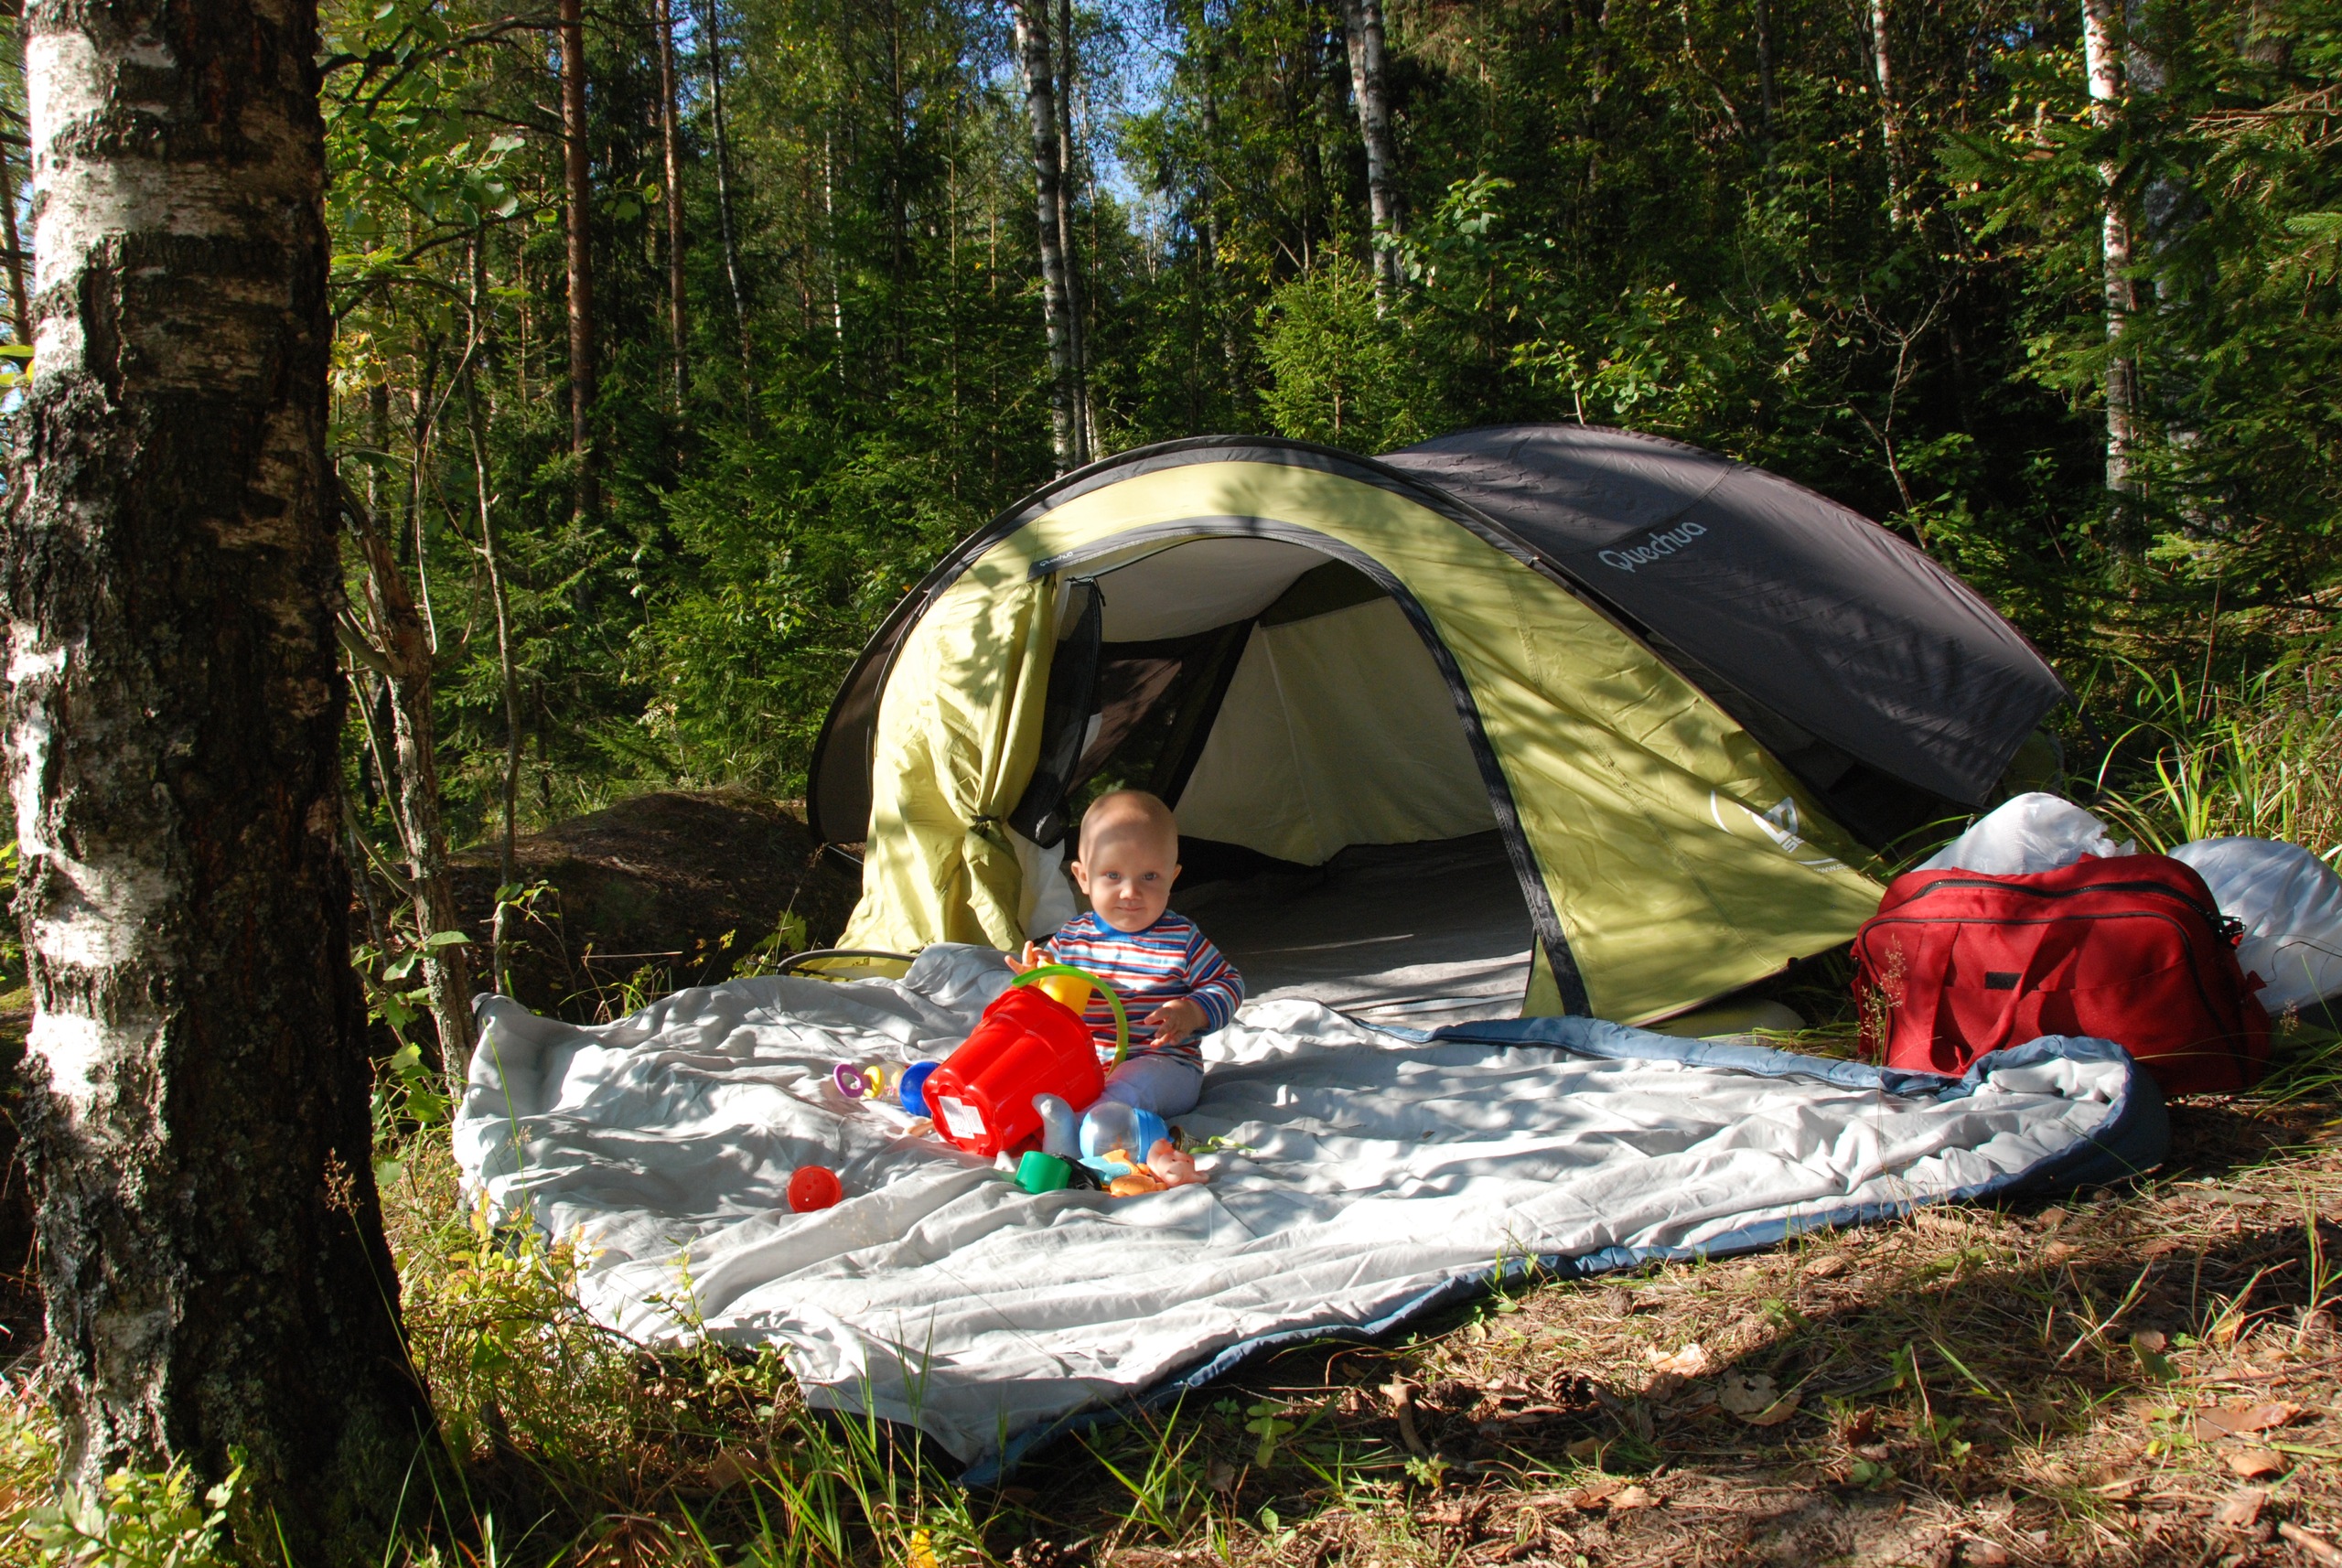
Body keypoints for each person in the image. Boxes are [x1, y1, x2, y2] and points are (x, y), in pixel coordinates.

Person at [1011, 789, 1241, 1117]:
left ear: (1172, 878)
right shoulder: (1071, 940)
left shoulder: (1180, 938)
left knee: (1135, 1082)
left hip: (1162, 1064)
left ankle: (1087, 1124)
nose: (1131, 891)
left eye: (1149, 876)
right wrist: (1038, 981)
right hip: (1087, 1067)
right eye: (1113, 875)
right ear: (1083, 878)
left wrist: (1193, 1012)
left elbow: (1229, 983)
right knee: (1023, 1072)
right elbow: (1051, 1013)